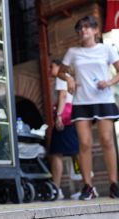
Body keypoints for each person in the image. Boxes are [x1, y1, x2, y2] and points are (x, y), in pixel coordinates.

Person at [58, 15, 119, 200]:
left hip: (103, 100)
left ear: (95, 30)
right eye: (80, 27)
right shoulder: (73, 52)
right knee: (84, 144)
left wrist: (109, 82)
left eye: (87, 26)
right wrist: (69, 78)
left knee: (107, 141)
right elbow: (61, 72)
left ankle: (114, 184)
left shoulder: (106, 49)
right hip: (81, 101)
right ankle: (88, 187)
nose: (83, 30)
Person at [49, 59, 80, 200]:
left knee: (56, 153)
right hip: (71, 118)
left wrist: (59, 116)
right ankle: (88, 185)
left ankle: (56, 189)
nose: (50, 69)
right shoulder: (70, 78)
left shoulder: (63, 77)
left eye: (52, 66)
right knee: (76, 152)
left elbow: (62, 96)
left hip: (65, 119)